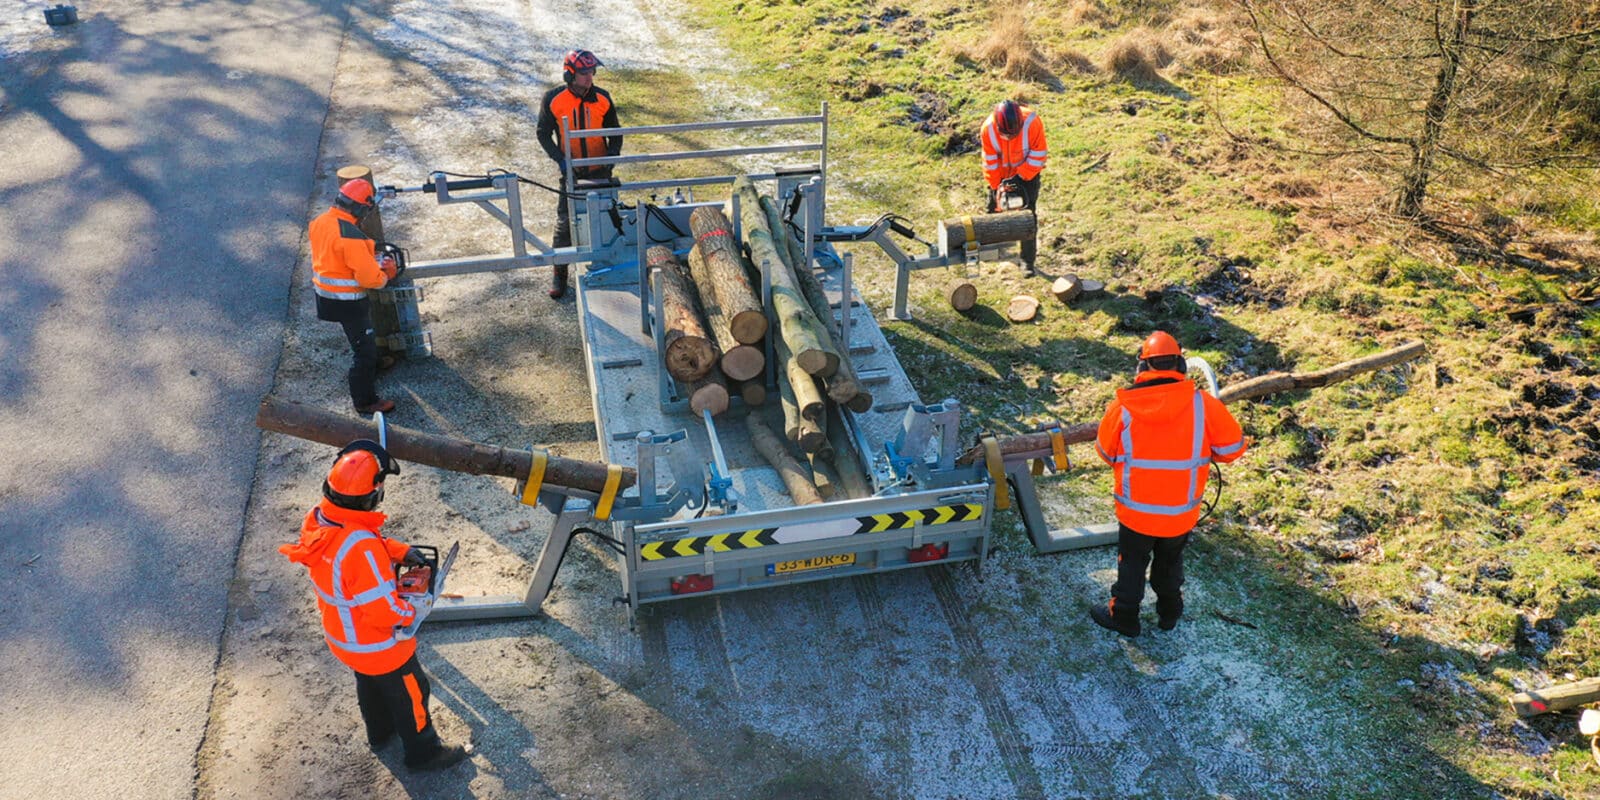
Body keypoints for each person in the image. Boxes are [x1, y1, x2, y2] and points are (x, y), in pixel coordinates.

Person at [279, 440, 470, 772]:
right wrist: (415, 608)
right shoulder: (363, 551)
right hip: (378, 645)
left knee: (371, 684)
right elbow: (384, 612)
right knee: (412, 692)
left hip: (344, 638)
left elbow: (354, 537)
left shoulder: (320, 519)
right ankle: (423, 754)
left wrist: (399, 551)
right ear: (373, 497)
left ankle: (380, 734)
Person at [1089, 331, 1249, 637]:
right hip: (1180, 513)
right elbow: (1233, 450)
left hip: (1135, 514)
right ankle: (1169, 614)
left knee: (1131, 566)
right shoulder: (1204, 405)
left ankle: (1124, 617)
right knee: (1170, 565)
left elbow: (1104, 453)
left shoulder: (1122, 408)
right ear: (1180, 365)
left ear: (1142, 369)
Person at [536, 48, 622, 299]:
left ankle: (610, 264)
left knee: (611, 217)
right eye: (584, 72)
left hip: (600, 170)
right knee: (565, 224)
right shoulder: (554, 99)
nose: (589, 77)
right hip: (571, 172)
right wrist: (560, 160)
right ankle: (559, 273)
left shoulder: (603, 98)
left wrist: (610, 159)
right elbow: (543, 133)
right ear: (569, 74)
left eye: (592, 71)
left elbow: (615, 133)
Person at [310, 179, 399, 414]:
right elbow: (371, 279)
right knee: (364, 350)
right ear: (361, 208)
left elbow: (336, 257)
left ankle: (373, 365)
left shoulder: (320, 222)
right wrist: (387, 274)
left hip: (325, 296)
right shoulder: (352, 237)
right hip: (348, 302)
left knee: (359, 339)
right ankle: (365, 400)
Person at [980, 99, 1047, 274]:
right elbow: (990, 162)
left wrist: (1020, 177)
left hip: (1027, 173)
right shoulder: (988, 129)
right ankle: (989, 251)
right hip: (1000, 174)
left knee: (1028, 215)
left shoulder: (1032, 122)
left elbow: (1038, 155)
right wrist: (996, 187)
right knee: (992, 209)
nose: (1010, 138)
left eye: (1013, 134)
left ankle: (1027, 261)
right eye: (1007, 135)